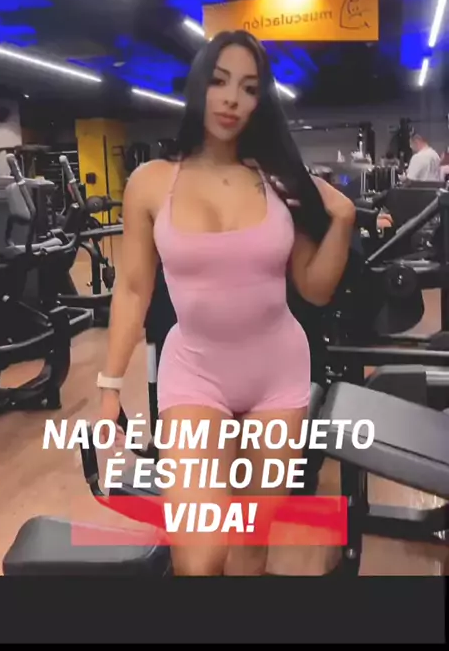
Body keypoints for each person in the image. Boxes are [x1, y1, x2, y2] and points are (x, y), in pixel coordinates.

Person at [98, 30, 356, 576]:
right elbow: (134, 288)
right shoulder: (152, 182)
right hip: (195, 371)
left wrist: (343, 219)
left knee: (251, 547)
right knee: (198, 556)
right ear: (200, 87)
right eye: (220, 82)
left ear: (261, 101)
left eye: (249, 87)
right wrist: (108, 389)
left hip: (277, 374)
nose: (232, 99)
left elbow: (314, 289)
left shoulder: (278, 181)